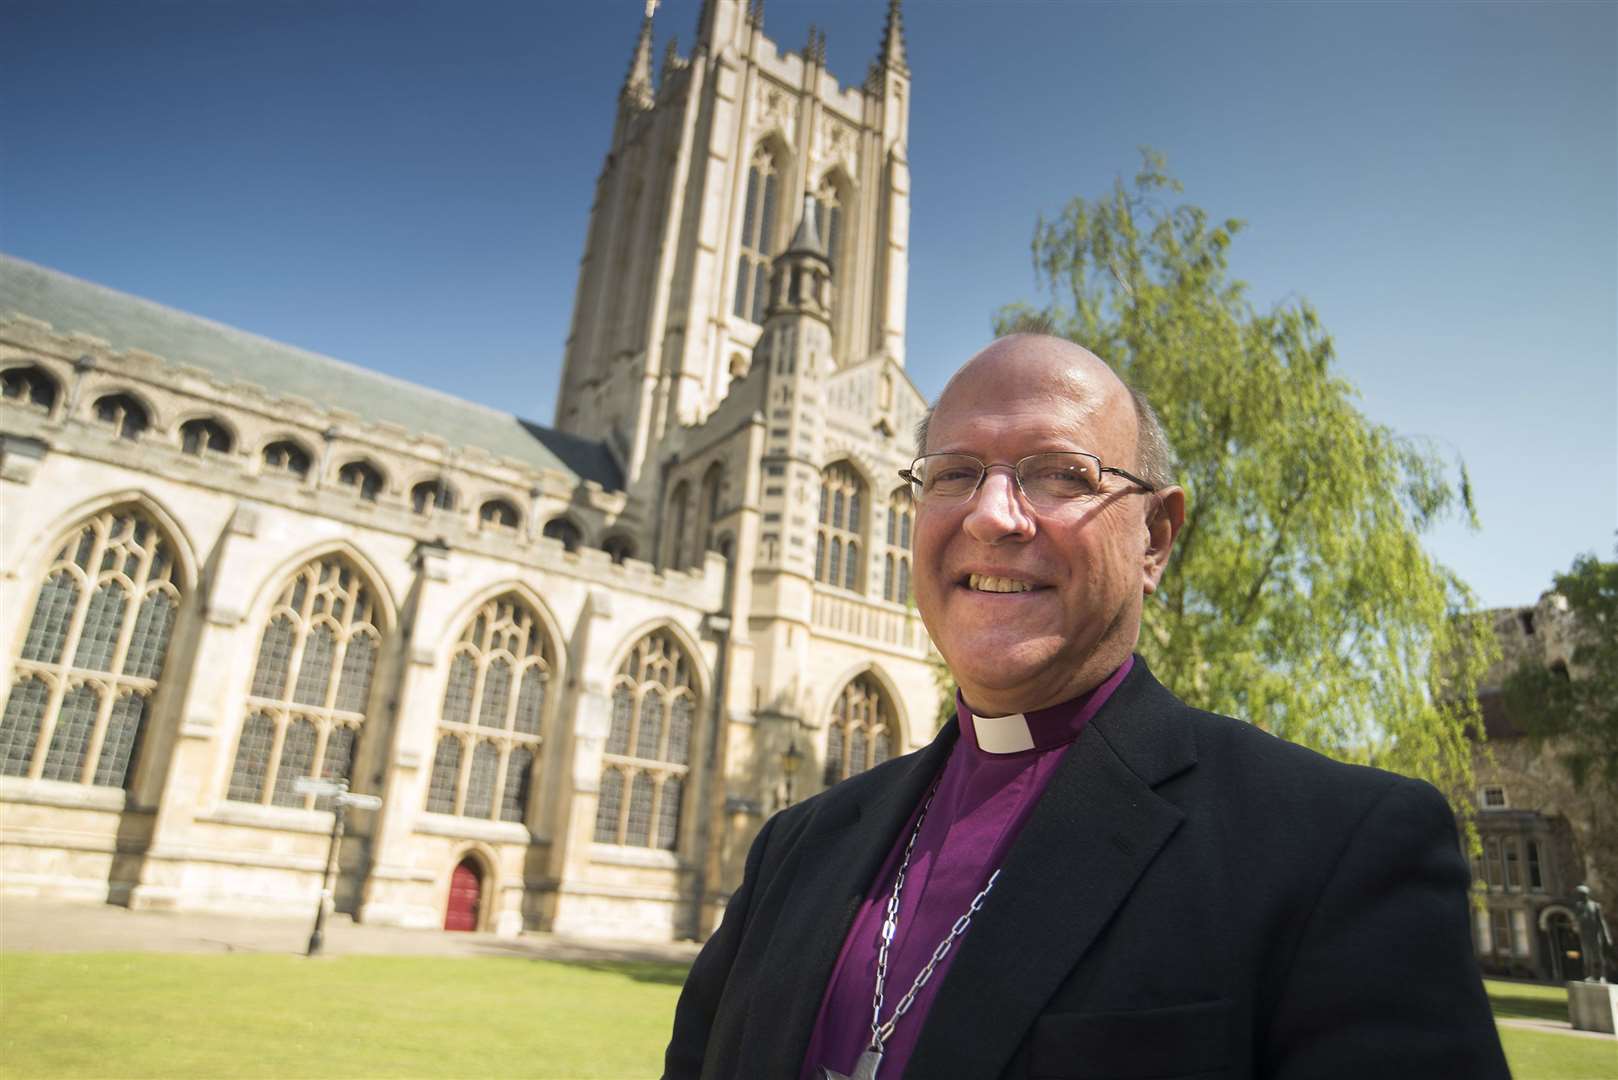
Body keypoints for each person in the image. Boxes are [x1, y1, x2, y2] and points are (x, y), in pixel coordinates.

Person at [664, 332, 1509, 1079]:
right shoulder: (792, 850)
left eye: (1061, 475)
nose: (992, 515)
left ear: (1155, 539)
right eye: (954, 474)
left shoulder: (1336, 849)